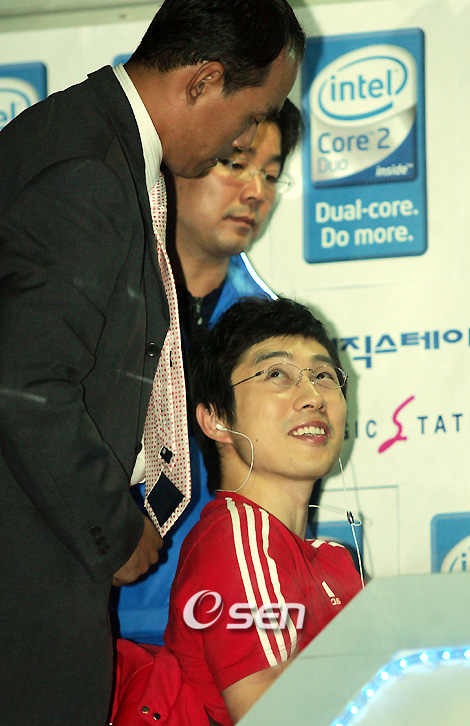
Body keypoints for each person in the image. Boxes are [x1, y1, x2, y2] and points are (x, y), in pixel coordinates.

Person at [0, 1, 305, 723]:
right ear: (203, 81)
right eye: (250, 116)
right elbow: (25, 381)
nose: (244, 138)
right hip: (29, 592)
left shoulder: (74, 139)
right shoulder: (87, 170)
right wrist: (113, 526)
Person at [111, 297, 362, 726]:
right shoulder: (239, 540)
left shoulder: (332, 560)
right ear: (215, 420)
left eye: (323, 375)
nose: (312, 397)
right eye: (277, 374)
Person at [116, 99, 303, 645]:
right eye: (236, 164)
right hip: (97, 629)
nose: (256, 191)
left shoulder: (278, 340)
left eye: (271, 175)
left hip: (233, 633)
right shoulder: (98, 306)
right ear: (178, 161)